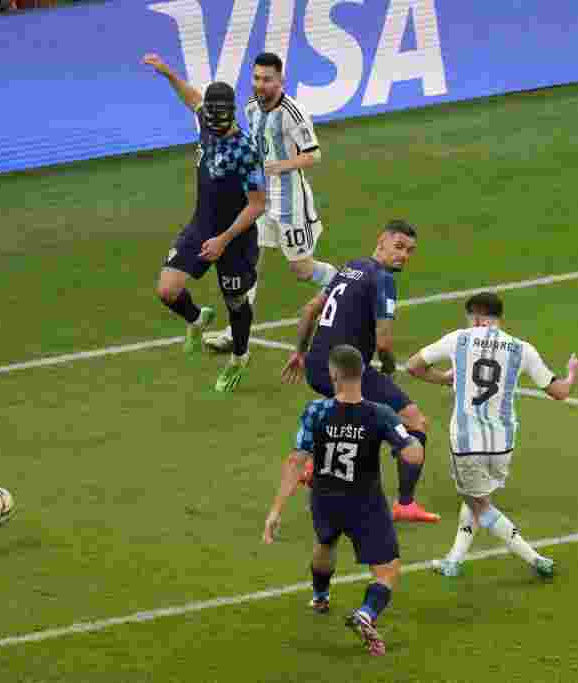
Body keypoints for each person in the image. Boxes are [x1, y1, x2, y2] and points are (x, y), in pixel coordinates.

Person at [405, 292, 578, 577]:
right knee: (477, 497)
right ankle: (454, 560)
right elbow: (560, 392)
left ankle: (535, 559)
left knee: (479, 504)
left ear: (475, 316)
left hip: (466, 441)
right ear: (499, 317)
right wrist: (572, 374)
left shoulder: (459, 339)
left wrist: (444, 379)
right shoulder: (521, 348)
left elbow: (413, 366)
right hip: (503, 442)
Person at [263, 345, 424, 657]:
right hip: (365, 502)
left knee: (325, 544)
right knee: (387, 568)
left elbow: (297, 460)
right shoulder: (380, 414)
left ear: (333, 374)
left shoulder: (315, 411)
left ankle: (320, 596)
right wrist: (413, 439)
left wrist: (276, 510)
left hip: (324, 496)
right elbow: (412, 457)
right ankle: (366, 613)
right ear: (362, 372)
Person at [282, 220, 440, 523]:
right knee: (413, 420)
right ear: (381, 241)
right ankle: (405, 504)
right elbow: (383, 343)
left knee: (360, 415)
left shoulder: (352, 266)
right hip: (346, 369)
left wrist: (299, 352)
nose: (404, 255)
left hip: (317, 366)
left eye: (410, 251)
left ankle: (317, 464)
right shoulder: (383, 280)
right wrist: (391, 368)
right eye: (399, 247)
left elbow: (309, 310)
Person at [143, 53, 266, 392]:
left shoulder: (246, 150)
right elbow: (192, 98)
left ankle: (240, 358)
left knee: (237, 304)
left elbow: (257, 205)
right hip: (201, 227)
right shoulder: (206, 121)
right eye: (208, 115)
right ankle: (198, 319)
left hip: (235, 240)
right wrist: (168, 72)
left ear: (230, 113)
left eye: (217, 116)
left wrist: (224, 240)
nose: (211, 121)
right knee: (168, 290)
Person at [203, 52, 337, 352]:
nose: (260, 85)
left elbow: (313, 154)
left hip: (290, 203)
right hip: (260, 200)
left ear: (280, 81)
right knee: (248, 263)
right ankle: (236, 332)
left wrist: (278, 166)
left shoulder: (293, 112)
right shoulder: (250, 108)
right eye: (256, 78)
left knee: (302, 270)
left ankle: (346, 285)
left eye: (267, 79)